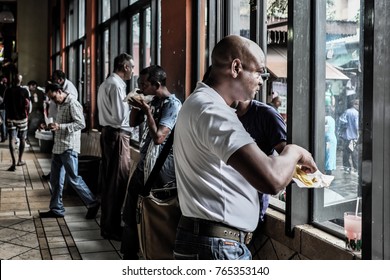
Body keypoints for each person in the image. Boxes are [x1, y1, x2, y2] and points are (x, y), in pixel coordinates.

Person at [173, 35, 317, 260]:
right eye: (259, 72)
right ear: (236, 67)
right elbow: (272, 179)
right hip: (217, 248)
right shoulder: (212, 111)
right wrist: (297, 151)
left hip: (210, 242)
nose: (262, 80)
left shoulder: (198, 103)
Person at [121, 65, 182, 259]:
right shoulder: (152, 99)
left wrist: (147, 111)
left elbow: (158, 138)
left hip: (161, 170)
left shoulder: (173, 105)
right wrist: (136, 105)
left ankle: (153, 253)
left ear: (157, 84)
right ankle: (130, 254)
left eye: (143, 85)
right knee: (130, 210)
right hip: (144, 164)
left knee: (154, 214)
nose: (140, 88)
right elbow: (132, 123)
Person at [39, 83, 100, 219]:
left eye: (54, 97)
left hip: (69, 147)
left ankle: (92, 202)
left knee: (73, 179)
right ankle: (56, 209)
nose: (54, 101)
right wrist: (52, 126)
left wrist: (60, 126)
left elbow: (81, 124)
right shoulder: (61, 104)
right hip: (58, 147)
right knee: (55, 180)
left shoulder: (73, 103)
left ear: (59, 91)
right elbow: (61, 124)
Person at [97, 53, 134, 241]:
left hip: (108, 133)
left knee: (109, 181)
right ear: (125, 67)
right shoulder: (117, 85)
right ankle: (111, 228)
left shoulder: (105, 83)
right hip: (118, 135)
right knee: (117, 183)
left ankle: (107, 225)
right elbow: (121, 117)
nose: (133, 71)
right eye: (132, 67)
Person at [42, 70, 78, 180]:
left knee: (73, 178)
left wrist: (60, 126)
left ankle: (90, 198)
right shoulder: (57, 89)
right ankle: (55, 174)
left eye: (54, 78)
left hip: (66, 135)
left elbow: (78, 121)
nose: (52, 79)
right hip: (58, 125)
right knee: (56, 165)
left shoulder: (69, 93)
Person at [3, 74, 30, 171]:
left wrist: (6, 118)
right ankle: (20, 160)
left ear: (13, 81)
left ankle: (13, 163)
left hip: (11, 118)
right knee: (22, 139)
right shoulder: (25, 91)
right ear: (21, 81)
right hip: (22, 118)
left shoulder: (8, 91)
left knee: (11, 139)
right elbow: (28, 105)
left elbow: (5, 104)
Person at [339, 98, 359, 174]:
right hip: (353, 137)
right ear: (354, 105)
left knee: (346, 154)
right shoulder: (356, 113)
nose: (359, 106)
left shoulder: (346, 111)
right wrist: (358, 135)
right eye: (358, 104)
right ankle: (356, 168)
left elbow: (342, 122)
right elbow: (357, 126)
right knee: (354, 153)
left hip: (346, 137)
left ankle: (347, 168)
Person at [325, 105, 337, 175]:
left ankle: (328, 169)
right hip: (332, 138)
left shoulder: (325, 119)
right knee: (331, 153)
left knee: (327, 153)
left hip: (328, 139)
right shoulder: (332, 119)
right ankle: (330, 167)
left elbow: (325, 129)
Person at [0, 75, 8, 142]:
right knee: (3, 123)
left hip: (1, 106)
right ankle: (4, 137)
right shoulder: (5, 88)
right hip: (3, 107)